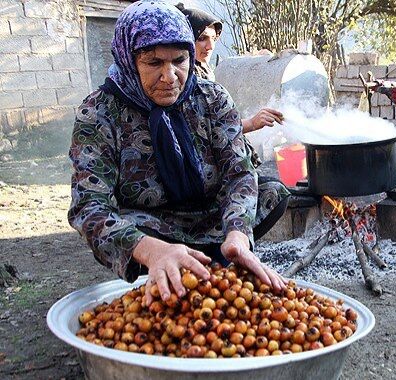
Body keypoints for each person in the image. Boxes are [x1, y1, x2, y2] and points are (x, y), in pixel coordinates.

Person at [68, 1, 290, 306]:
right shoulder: (100, 112)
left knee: (272, 192)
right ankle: (164, 261)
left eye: (179, 60)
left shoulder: (211, 99)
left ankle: (220, 251)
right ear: (128, 59)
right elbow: (88, 206)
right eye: (154, 62)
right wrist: (150, 249)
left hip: (208, 215)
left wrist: (238, 232)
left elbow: (238, 172)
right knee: (129, 226)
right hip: (150, 225)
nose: (170, 76)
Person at [175, 3, 284, 136]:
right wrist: (251, 123)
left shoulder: (204, 70)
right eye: (202, 38)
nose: (210, 46)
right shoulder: (185, 80)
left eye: (214, 38)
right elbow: (206, 129)